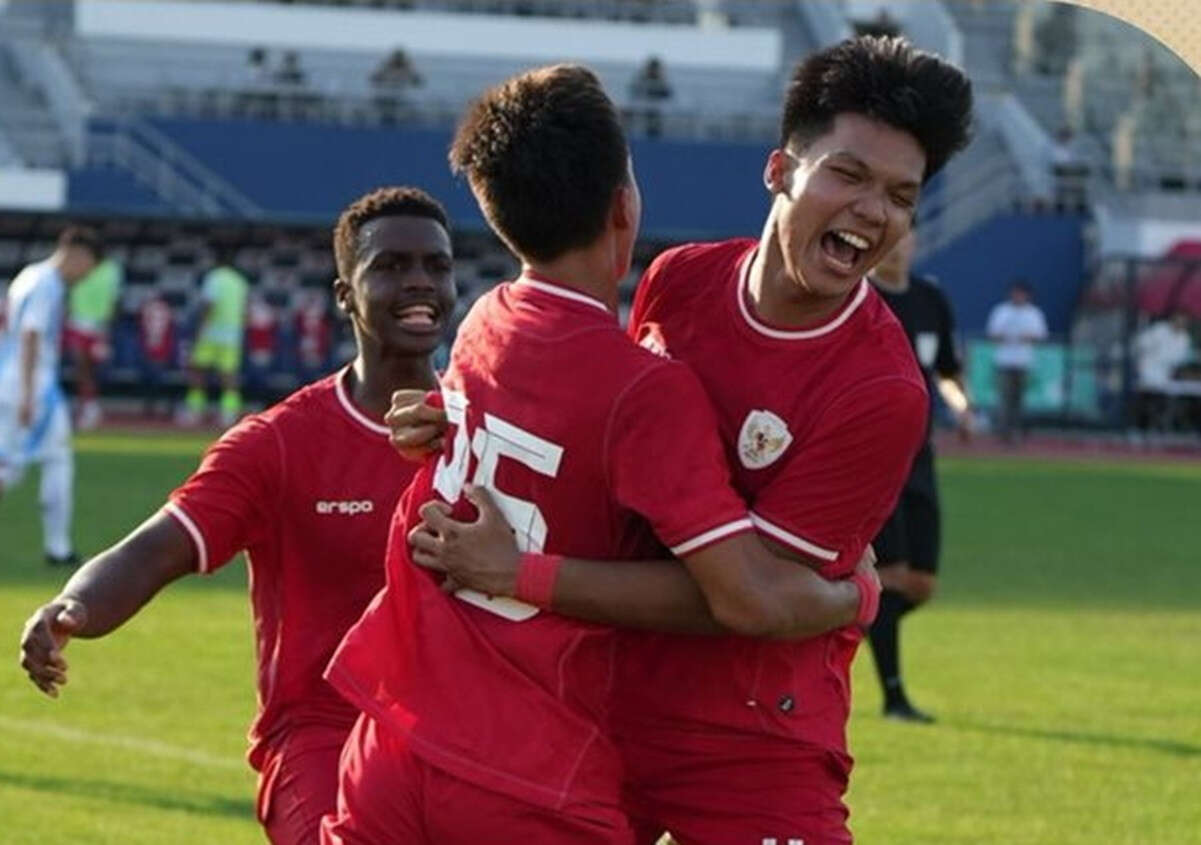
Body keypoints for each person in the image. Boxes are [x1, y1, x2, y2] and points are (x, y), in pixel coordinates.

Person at [397, 36, 973, 844]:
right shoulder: (679, 280)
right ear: (779, 170)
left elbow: (752, 603)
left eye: (901, 195)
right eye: (847, 174)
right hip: (603, 706)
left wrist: (523, 574)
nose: (874, 211)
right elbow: (602, 445)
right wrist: (459, 418)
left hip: (750, 738)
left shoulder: (878, 391)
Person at [18, 186, 456, 845]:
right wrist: (73, 606)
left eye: (435, 266)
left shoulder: (485, 427)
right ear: (344, 294)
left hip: (457, 739)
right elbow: (157, 546)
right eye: (390, 266)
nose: (418, 281)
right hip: (322, 737)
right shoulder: (279, 443)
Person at [867, 227, 973, 723]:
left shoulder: (931, 299)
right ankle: (894, 699)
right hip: (876, 457)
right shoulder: (860, 299)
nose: (898, 244)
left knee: (921, 583)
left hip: (921, 456)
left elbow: (947, 370)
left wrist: (963, 406)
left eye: (906, 235)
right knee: (889, 575)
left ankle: (839, 627)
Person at [0, 226, 102, 567]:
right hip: (33, 384)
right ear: (78, 254)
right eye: (88, 266)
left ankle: (59, 547)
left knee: (45, 459)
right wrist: (29, 394)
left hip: (11, 376)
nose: (85, 275)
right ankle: (58, 547)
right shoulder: (48, 284)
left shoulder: (28, 275)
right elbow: (30, 334)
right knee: (16, 467)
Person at [178, 245, 250, 427]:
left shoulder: (214, 278)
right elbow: (245, 312)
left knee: (197, 370)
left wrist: (199, 330)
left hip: (211, 332)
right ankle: (229, 413)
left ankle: (195, 410)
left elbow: (208, 305)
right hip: (232, 335)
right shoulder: (240, 281)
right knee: (229, 375)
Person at [64, 255, 123, 430]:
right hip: (77, 324)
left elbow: (115, 299)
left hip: (98, 327)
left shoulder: (112, 270)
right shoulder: (78, 266)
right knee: (81, 368)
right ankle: (88, 406)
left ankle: (90, 406)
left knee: (90, 369)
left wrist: (107, 327)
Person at [986, 281, 1048, 444]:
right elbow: (992, 334)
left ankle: (1017, 431)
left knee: (1019, 400)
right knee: (1005, 398)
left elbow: (1040, 336)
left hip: (1024, 362)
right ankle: (1003, 432)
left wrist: (1025, 337)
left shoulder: (1033, 313)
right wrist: (1007, 336)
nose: (1018, 297)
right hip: (1004, 361)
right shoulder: (1002, 311)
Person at [1133, 310, 1194, 434]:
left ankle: (1163, 427)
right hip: (1147, 372)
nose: (1181, 323)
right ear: (1173, 320)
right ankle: (1142, 427)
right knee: (1148, 397)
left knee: (1172, 398)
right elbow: (1140, 344)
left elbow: (1179, 362)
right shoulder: (1159, 330)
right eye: (1178, 320)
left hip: (1167, 377)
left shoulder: (1185, 339)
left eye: (1184, 321)